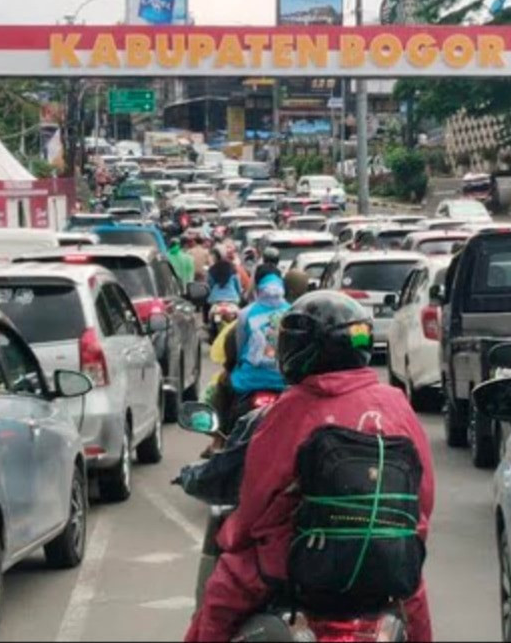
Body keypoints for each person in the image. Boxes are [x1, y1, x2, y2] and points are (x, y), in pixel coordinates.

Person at [186, 292, 435, 642]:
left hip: (293, 566)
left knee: (217, 605)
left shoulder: (290, 410)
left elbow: (257, 500)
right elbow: (423, 499)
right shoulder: (396, 404)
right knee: (418, 619)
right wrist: (402, 542)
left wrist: (232, 539)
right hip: (388, 562)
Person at [228, 273, 290, 407]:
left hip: (249, 380)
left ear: (258, 291)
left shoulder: (246, 313)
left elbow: (240, 346)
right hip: (283, 381)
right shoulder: (292, 312)